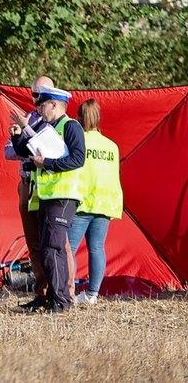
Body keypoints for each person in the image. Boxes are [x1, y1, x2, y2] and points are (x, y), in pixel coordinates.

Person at [11, 85, 86, 313]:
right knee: (50, 249)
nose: (39, 109)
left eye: (42, 105)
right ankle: (56, 298)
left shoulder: (70, 126)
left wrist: (49, 164)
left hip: (63, 196)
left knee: (52, 248)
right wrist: (16, 137)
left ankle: (61, 301)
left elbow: (78, 158)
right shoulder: (46, 127)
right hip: (47, 196)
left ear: (54, 105)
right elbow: (27, 152)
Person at [69, 98, 122, 306]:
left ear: (79, 117)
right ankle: (92, 294)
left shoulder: (77, 141)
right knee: (97, 247)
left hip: (82, 201)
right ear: (99, 118)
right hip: (106, 202)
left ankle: (69, 291)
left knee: (69, 248)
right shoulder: (112, 146)